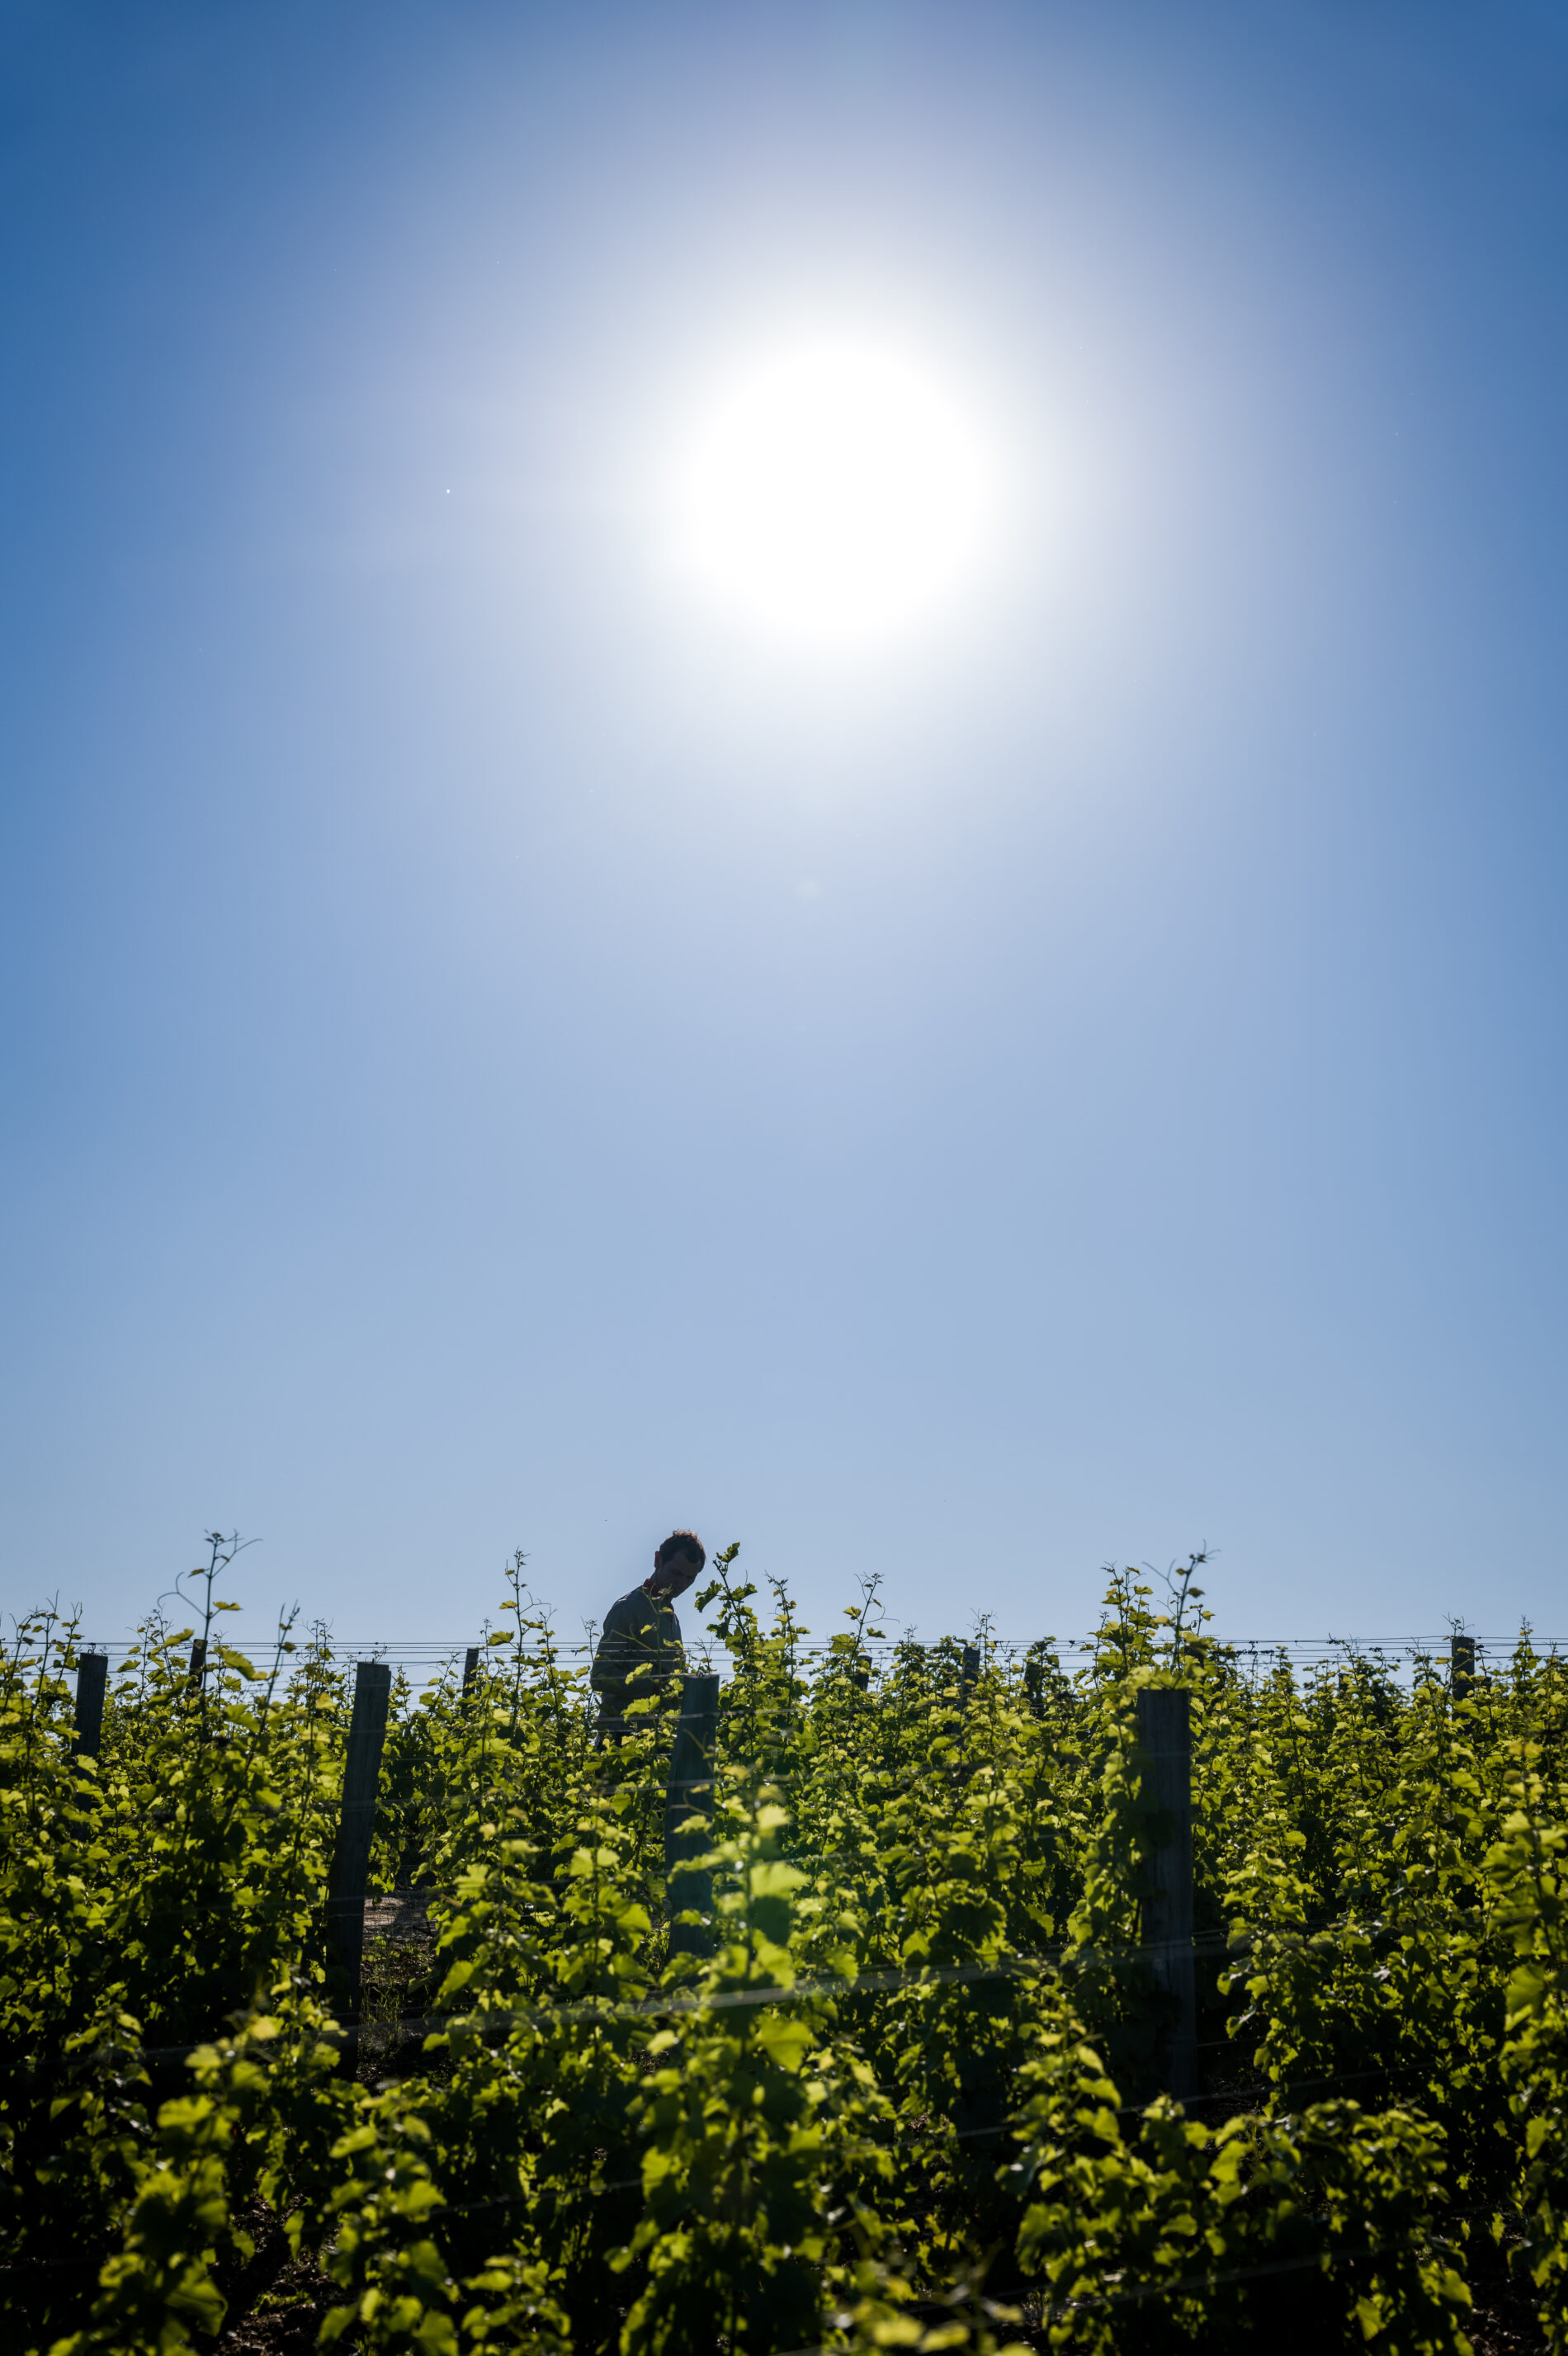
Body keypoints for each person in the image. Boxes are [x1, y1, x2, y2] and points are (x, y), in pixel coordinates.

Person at [590, 1530, 705, 1744]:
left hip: (658, 1739)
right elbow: (601, 1675)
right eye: (676, 1573)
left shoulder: (671, 1617)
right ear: (657, 1560)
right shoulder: (629, 1608)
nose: (681, 1584)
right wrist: (656, 1684)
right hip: (620, 1739)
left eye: (690, 1578)